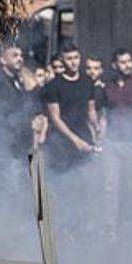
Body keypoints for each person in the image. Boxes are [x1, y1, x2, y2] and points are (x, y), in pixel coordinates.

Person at [101, 48, 132, 240]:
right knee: (110, 186)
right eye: (123, 62)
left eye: (129, 61)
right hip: (112, 142)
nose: (127, 65)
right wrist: (101, 137)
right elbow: (104, 115)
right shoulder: (107, 87)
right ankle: (110, 229)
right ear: (114, 65)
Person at [0, 43, 34, 218]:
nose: (20, 58)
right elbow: (8, 112)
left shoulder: (16, 80)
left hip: (17, 146)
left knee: (18, 191)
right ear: (3, 60)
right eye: (15, 55)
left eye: (21, 55)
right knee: (9, 193)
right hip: (4, 148)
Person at [40, 43, 99, 173]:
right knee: (63, 179)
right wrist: (75, 140)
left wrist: (96, 129)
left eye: (76, 58)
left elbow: (91, 110)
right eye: (69, 59)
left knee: (86, 175)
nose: (74, 62)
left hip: (83, 133)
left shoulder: (87, 81)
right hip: (61, 140)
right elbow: (55, 118)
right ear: (62, 60)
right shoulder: (53, 86)